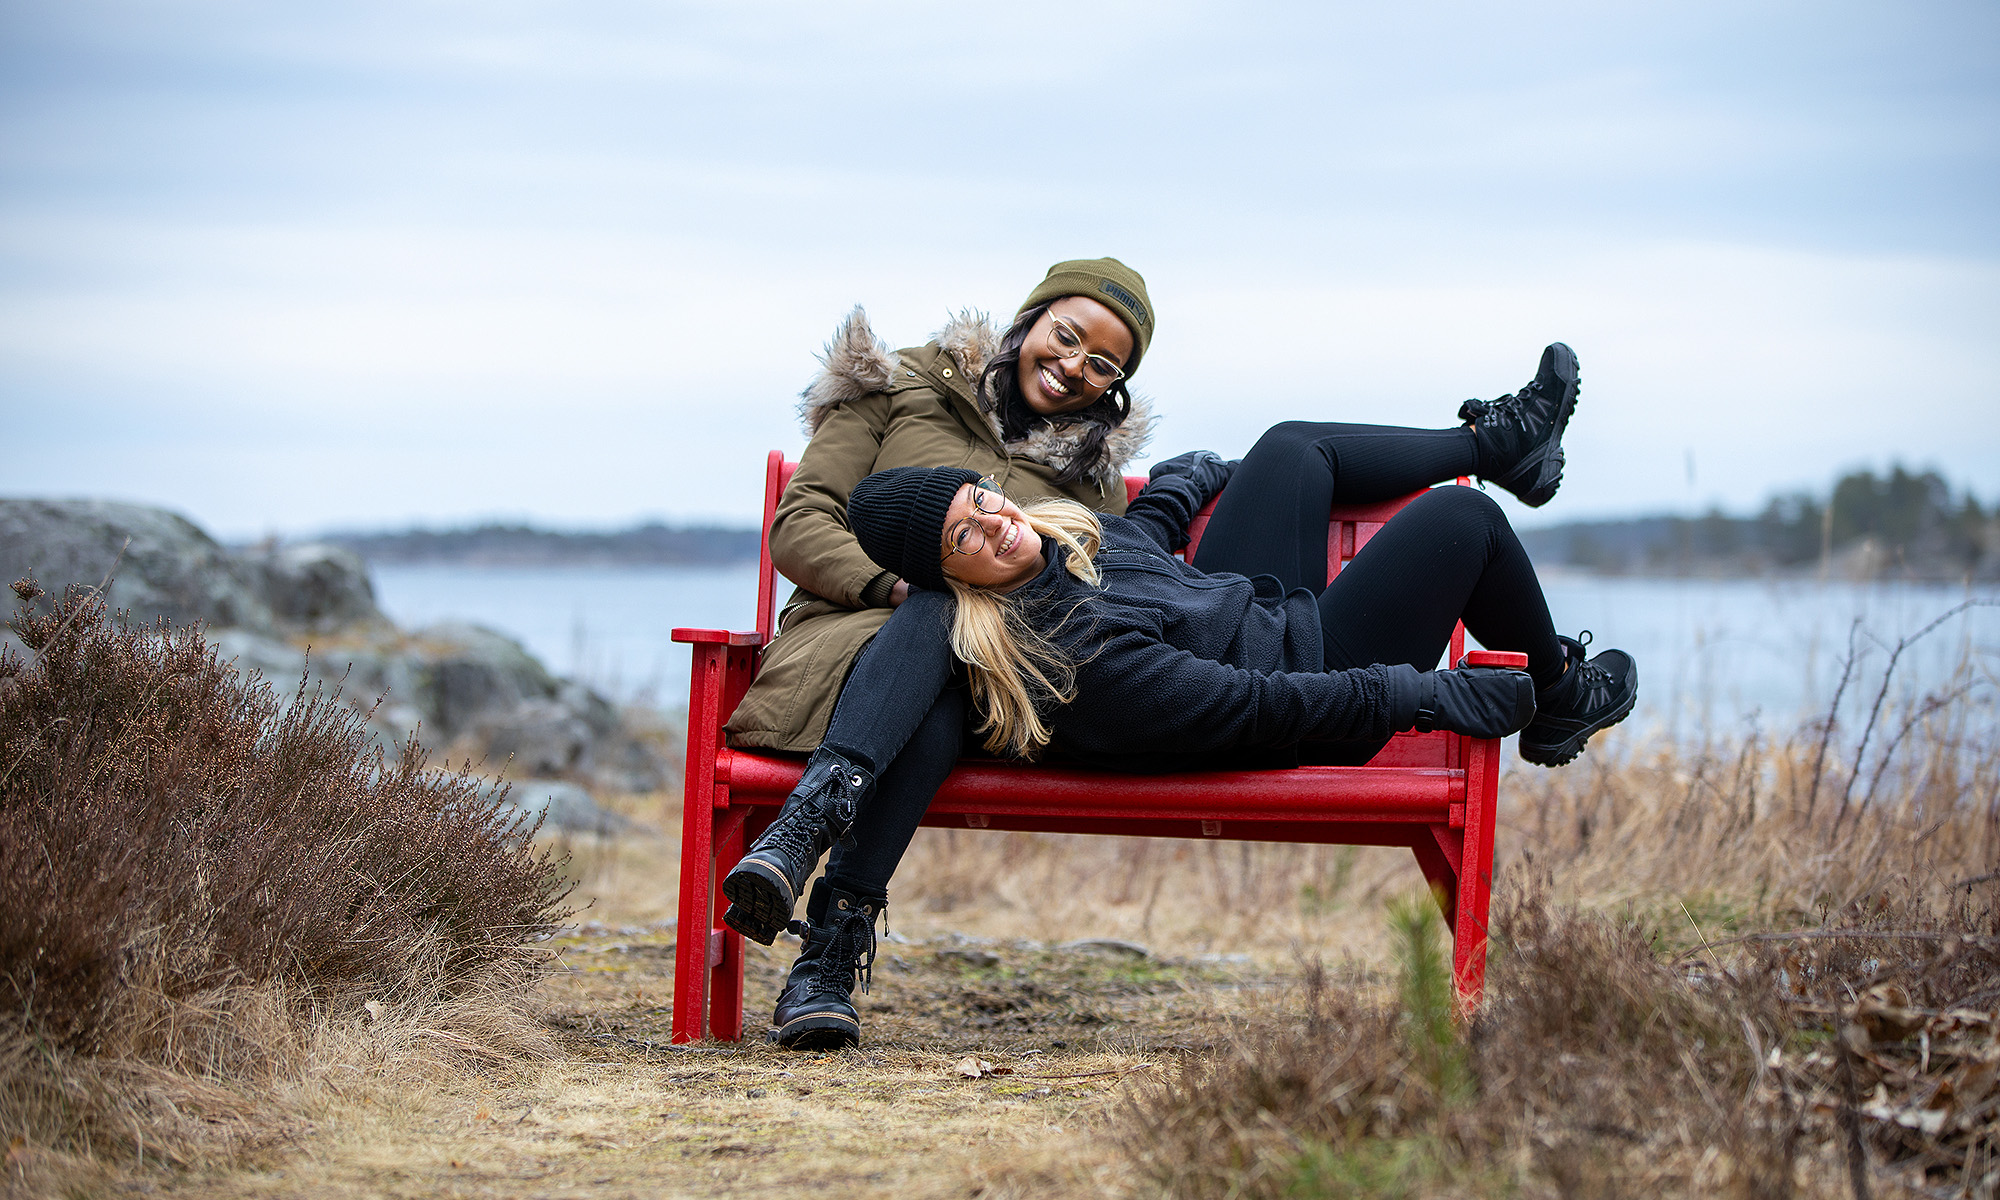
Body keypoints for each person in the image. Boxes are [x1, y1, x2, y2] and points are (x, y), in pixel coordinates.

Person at [727, 292, 1605, 1049]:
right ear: (956, 577)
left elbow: (1129, 550)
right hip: (1311, 678)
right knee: (1461, 524)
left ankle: (1501, 444)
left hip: (1245, 611)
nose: (997, 525)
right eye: (968, 537)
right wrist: (1428, 695)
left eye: (988, 505)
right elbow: (1256, 706)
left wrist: (1180, 488)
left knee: (1293, 447)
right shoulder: (1065, 650)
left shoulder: (1060, 541)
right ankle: (1560, 697)